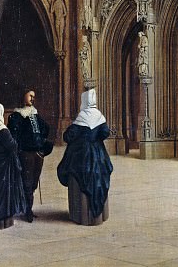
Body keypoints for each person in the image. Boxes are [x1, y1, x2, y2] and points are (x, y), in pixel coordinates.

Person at [57, 88, 113, 225]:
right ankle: (98, 216)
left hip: (81, 155)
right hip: (98, 155)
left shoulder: (81, 117)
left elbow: (68, 136)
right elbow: (105, 132)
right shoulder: (99, 116)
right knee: (98, 179)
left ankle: (82, 216)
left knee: (80, 178)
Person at [8, 90, 53, 222]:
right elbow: (14, 135)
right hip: (25, 153)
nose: (33, 98)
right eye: (30, 95)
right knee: (27, 182)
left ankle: (29, 208)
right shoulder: (16, 116)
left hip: (38, 153)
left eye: (34, 96)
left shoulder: (35, 114)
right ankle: (27, 210)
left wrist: (40, 141)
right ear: (22, 96)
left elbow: (46, 128)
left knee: (33, 182)